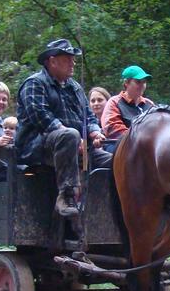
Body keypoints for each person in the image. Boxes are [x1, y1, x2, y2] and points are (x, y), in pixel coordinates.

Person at [14, 38, 111, 217]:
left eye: (73, 59)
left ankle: (112, 207)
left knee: (116, 161)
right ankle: (66, 195)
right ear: (52, 61)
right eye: (68, 59)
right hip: (39, 148)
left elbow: (88, 116)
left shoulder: (74, 87)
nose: (73, 63)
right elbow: (41, 118)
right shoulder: (34, 84)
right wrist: (74, 138)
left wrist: (95, 131)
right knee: (70, 136)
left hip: (78, 148)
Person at [102, 65, 155, 143]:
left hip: (146, 146)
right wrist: (141, 138)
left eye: (144, 82)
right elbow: (113, 129)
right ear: (126, 83)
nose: (142, 85)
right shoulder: (114, 102)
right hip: (119, 146)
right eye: (138, 82)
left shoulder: (149, 104)